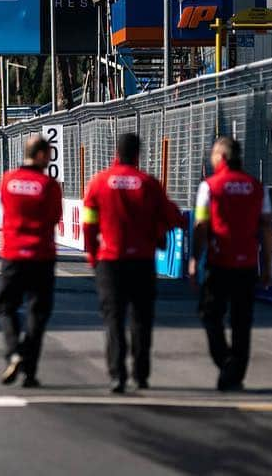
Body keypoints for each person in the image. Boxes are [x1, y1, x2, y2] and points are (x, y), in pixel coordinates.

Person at [82, 133, 184, 393]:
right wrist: (159, 230)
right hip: (141, 261)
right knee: (141, 318)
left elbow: (89, 223)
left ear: (116, 152)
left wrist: (93, 255)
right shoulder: (148, 184)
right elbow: (172, 216)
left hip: (110, 261)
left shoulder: (99, 182)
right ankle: (141, 374)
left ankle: (117, 375)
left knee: (113, 319)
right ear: (138, 154)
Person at [190, 137, 272, 392]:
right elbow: (267, 228)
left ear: (223, 158)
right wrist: (268, 266)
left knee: (210, 314)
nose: (212, 159)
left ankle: (226, 362)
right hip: (247, 265)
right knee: (242, 321)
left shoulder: (210, 187)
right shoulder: (258, 187)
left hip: (219, 263)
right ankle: (235, 371)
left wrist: (195, 259)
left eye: (214, 155)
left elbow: (201, 226)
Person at [0, 136, 63, 388]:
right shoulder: (48, 184)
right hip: (41, 255)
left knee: (5, 307)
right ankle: (30, 371)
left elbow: (6, 207)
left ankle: (14, 351)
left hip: (12, 254)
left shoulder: (8, 180)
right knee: (38, 313)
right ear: (42, 155)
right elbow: (55, 216)